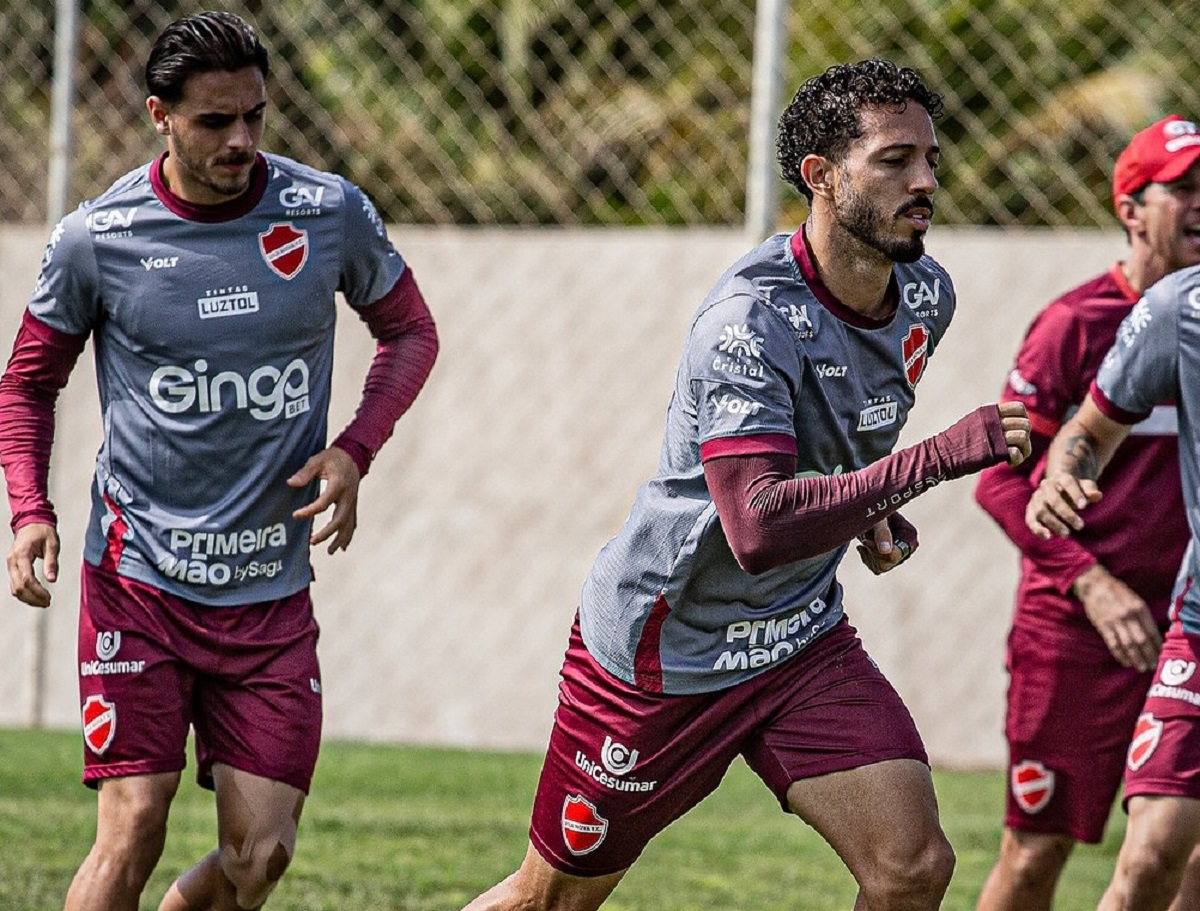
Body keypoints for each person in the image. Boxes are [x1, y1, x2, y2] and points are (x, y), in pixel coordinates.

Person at [459, 58, 1031, 911]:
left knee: (911, 866)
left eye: (931, 159)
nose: (926, 182)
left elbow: (836, 444)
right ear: (821, 176)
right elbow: (757, 526)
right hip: (666, 651)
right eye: (894, 160)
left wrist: (869, 511)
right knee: (550, 900)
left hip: (798, 638)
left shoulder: (925, 296)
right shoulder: (749, 320)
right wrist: (938, 457)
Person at [0, 11, 437, 911]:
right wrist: (29, 509)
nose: (241, 139)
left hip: (267, 593)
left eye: (255, 115)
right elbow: (27, 383)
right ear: (159, 115)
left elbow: (410, 332)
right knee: (133, 823)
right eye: (214, 121)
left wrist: (356, 447)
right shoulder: (98, 237)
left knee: (259, 855)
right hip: (138, 583)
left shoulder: (327, 213)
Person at [974, 115, 1200, 911]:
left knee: (1186, 857)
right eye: (1184, 189)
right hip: (1079, 629)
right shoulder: (1076, 324)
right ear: (1130, 208)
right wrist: (1093, 585)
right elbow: (1002, 481)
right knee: (1038, 849)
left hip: (1182, 617)